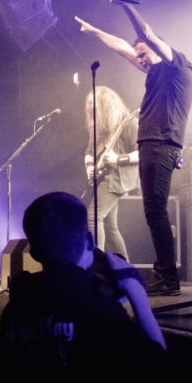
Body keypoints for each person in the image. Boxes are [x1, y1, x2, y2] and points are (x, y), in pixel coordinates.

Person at [0, 192, 166, 383]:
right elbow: (157, 361)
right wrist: (135, 290)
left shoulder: (14, 309)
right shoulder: (100, 309)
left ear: (33, 251)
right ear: (89, 242)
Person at [74, 0, 192, 296]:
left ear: (157, 51)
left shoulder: (177, 67)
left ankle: (167, 278)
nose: (138, 58)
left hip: (162, 145)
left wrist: (125, 3)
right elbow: (124, 47)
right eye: (138, 56)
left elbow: (148, 36)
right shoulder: (154, 72)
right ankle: (159, 275)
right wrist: (95, 32)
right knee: (152, 211)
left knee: (155, 212)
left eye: (144, 54)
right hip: (151, 145)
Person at [82, 85, 139, 260]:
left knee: (93, 217)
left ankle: (95, 264)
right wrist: (89, 166)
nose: (90, 109)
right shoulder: (97, 127)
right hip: (103, 177)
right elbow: (88, 153)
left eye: (94, 105)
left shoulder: (128, 122)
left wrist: (118, 159)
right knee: (110, 227)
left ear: (105, 105)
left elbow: (143, 152)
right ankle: (126, 269)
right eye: (88, 105)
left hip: (117, 178)